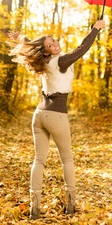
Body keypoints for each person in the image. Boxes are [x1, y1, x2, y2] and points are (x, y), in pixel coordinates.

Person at [7, 20, 105, 220]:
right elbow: (82, 48)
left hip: (39, 115)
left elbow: (32, 45)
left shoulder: (43, 62)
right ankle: (70, 205)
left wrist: (20, 38)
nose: (55, 44)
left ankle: (35, 206)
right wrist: (96, 28)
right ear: (46, 52)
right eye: (50, 45)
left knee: (39, 160)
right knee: (67, 158)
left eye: (54, 41)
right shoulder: (61, 61)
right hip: (56, 114)